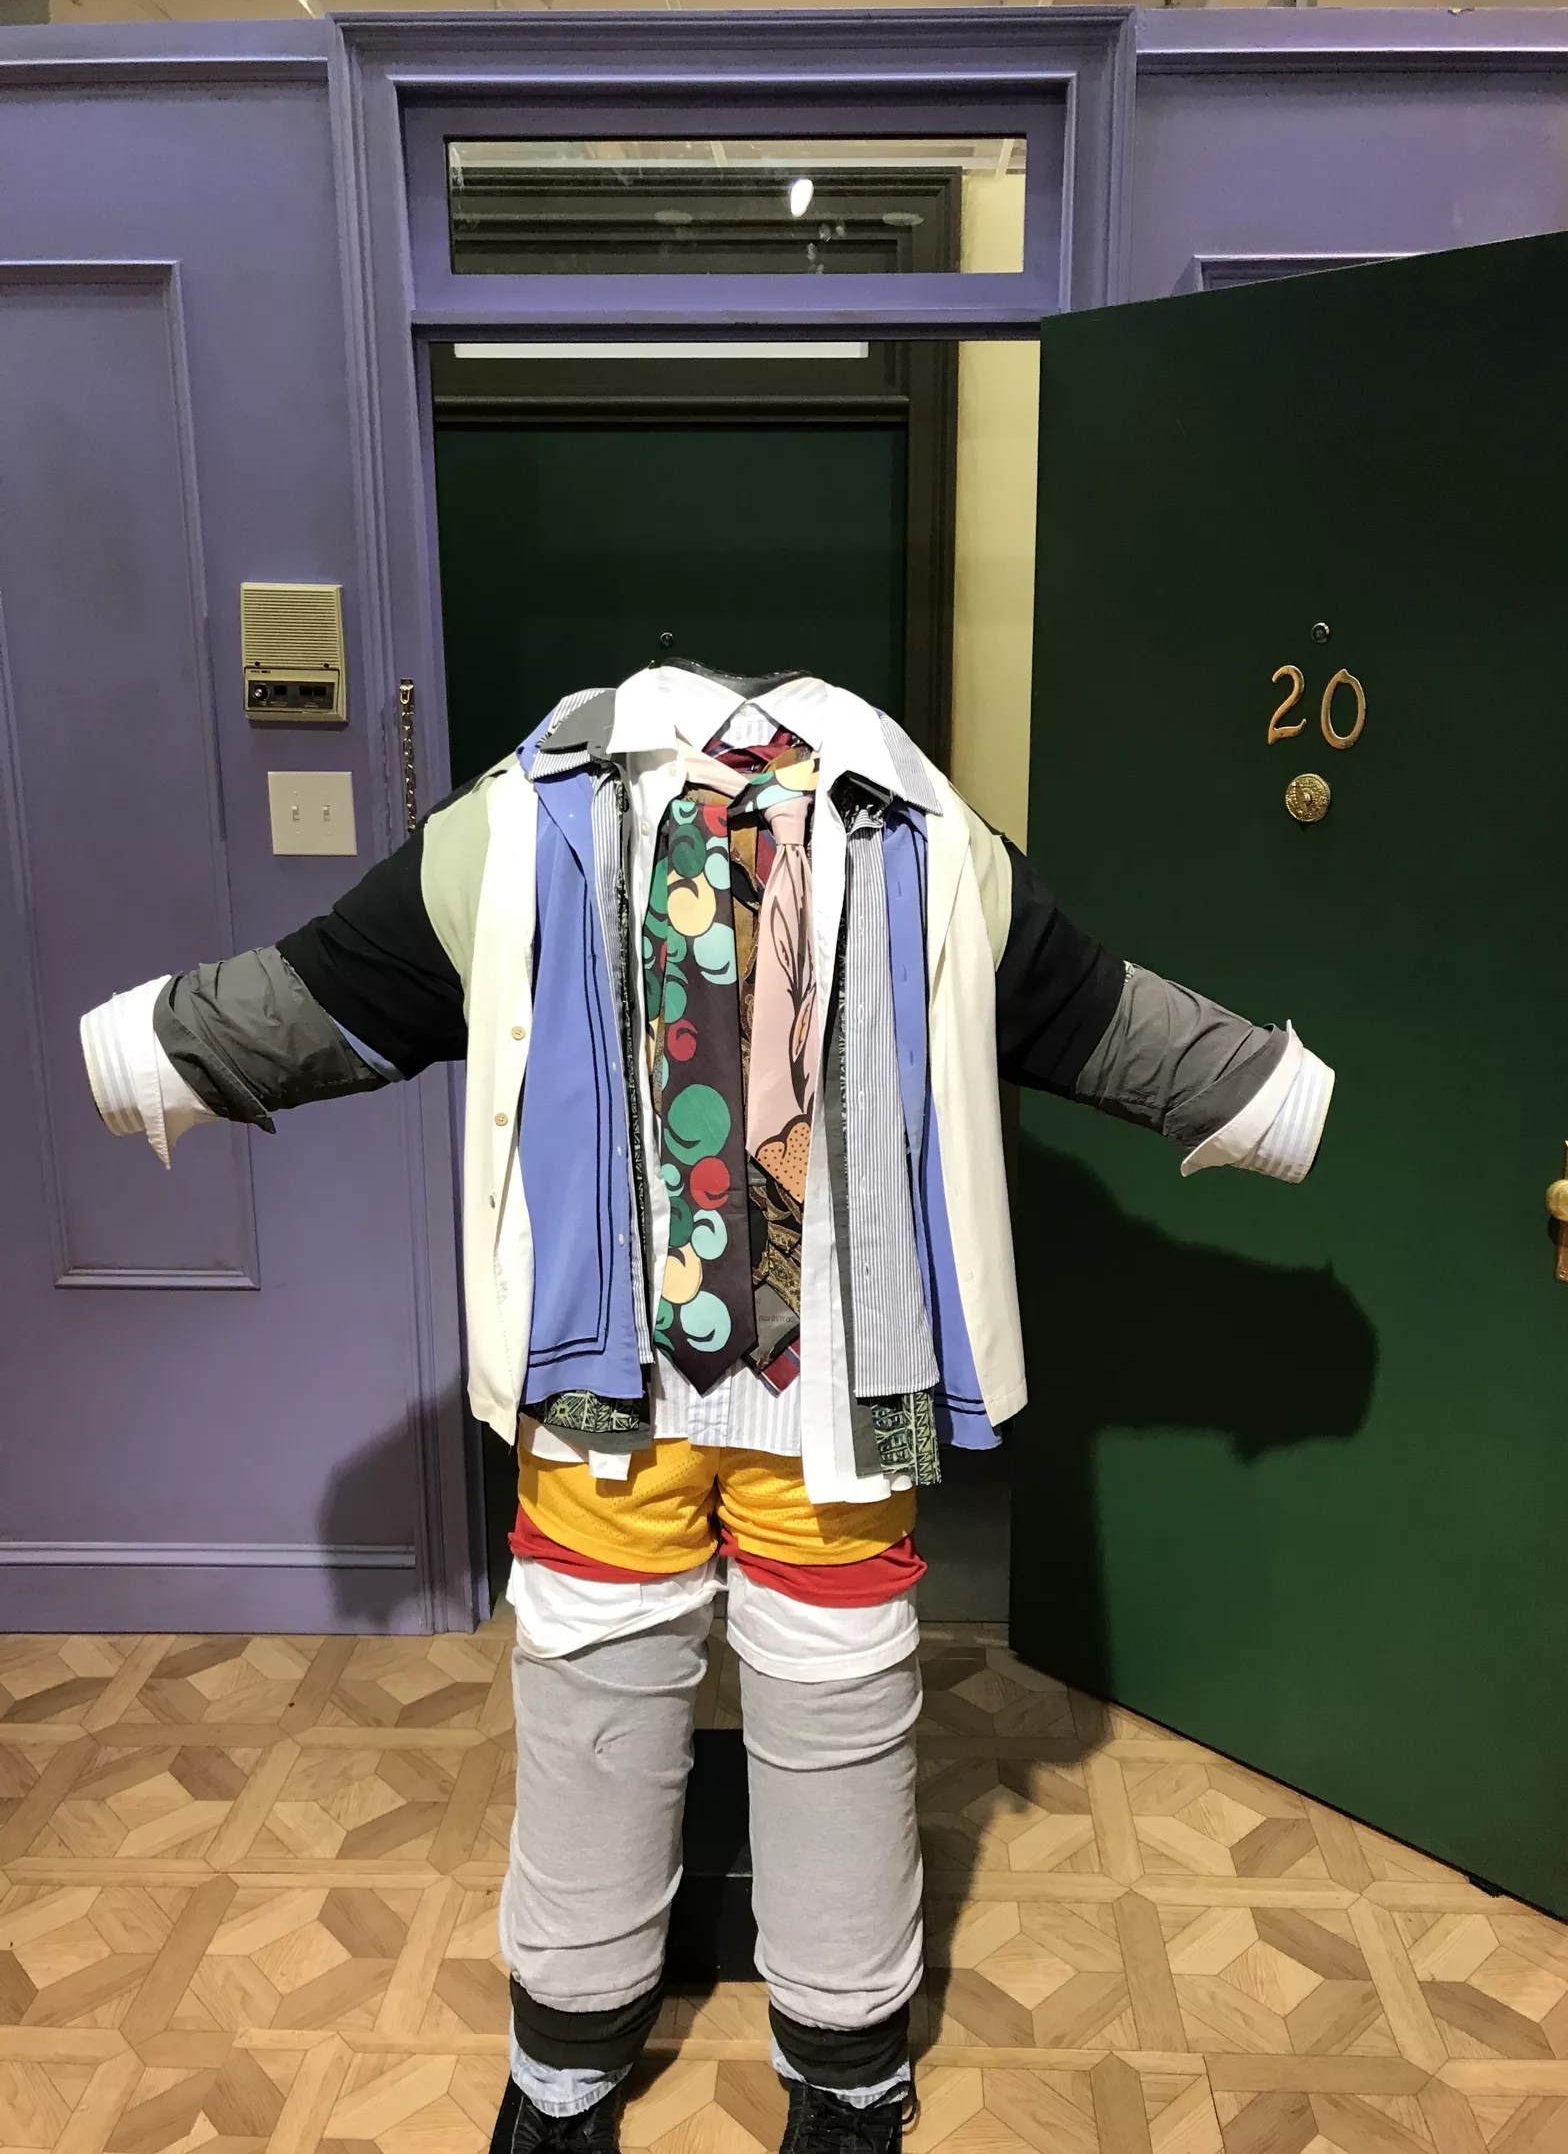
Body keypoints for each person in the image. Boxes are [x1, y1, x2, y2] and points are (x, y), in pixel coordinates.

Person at [81, 662, 1332, 2154]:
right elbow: (336, 990)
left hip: (843, 1380)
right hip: (605, 1368)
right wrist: (158, 1047)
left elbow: (1086, 1009)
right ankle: (566, 2059)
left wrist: (1261, 1093)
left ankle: (848, 2063)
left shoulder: (921, 834)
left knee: (842, 1702)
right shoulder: (530, 817)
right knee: (592, 1693)